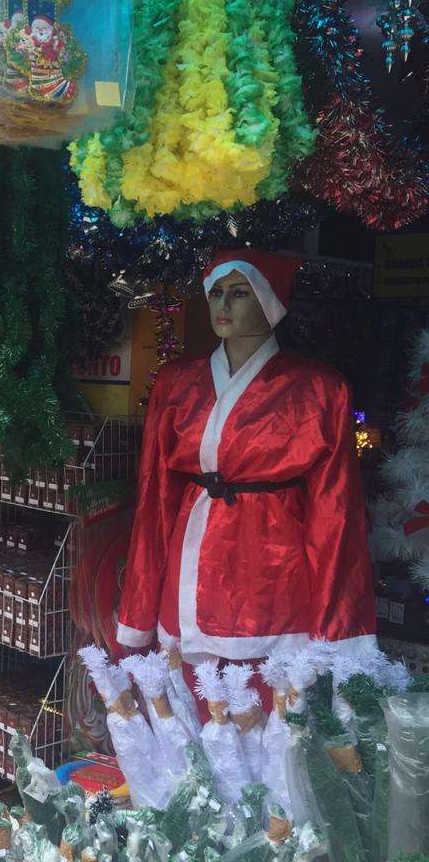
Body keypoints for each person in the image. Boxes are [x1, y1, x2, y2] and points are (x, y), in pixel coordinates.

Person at [116, 248, 376, 663]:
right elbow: (154, 495)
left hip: (272, 564)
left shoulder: (319, 388)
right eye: (216, 292)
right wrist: (138, 612)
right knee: (190, 703)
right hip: (191, 554)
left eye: (239, 293)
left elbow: (336, 513)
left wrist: (339, 629)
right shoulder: (176, 381)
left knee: (268, 702)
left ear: (269, 301)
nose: (222, 304)